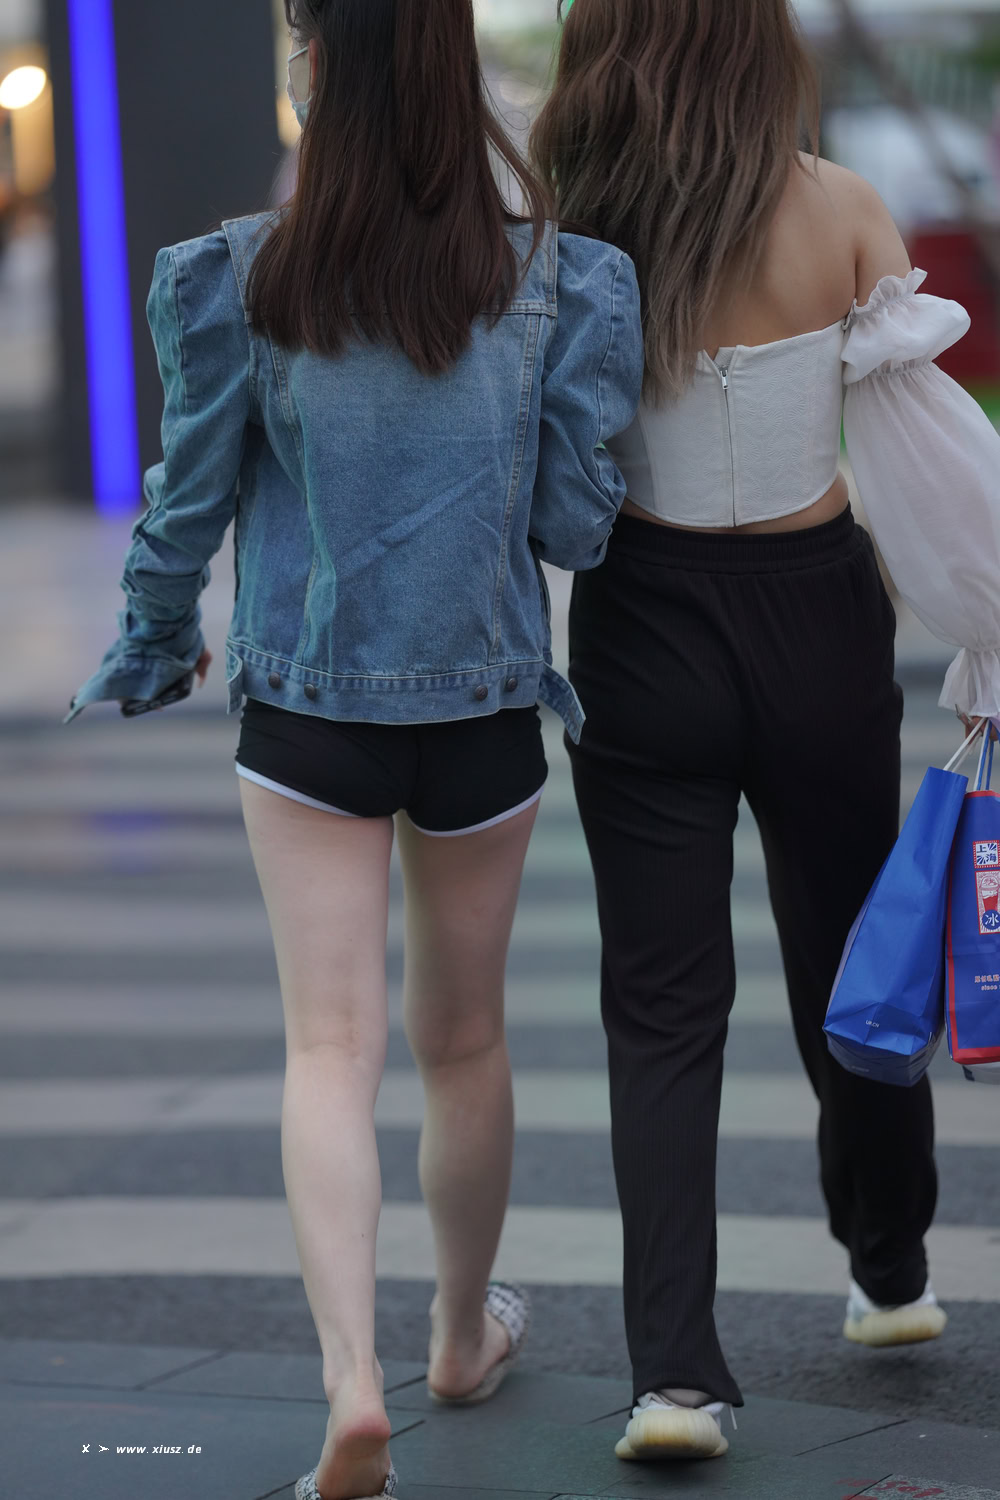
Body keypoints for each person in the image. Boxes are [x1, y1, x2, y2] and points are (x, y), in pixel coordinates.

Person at [66, 3, 643, 1496]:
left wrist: (154, 641)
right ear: (457, 73)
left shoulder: (243, 275)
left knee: (330, 1048)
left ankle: (348, 1384)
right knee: (467, 1042)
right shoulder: (554, 278)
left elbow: (184, 507)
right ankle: (458, 1337)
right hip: (483, 715)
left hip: (306, 714)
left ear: (315, 68)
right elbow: (575, 525)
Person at [531, 0, 1000, 1466]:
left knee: (661, 1011)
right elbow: (923, 453)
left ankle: (676, 1378)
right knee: (854, 963)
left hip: (640, 618)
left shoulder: (571, 212)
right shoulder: (842, 209)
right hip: (816, 619)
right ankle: (891, 1273)